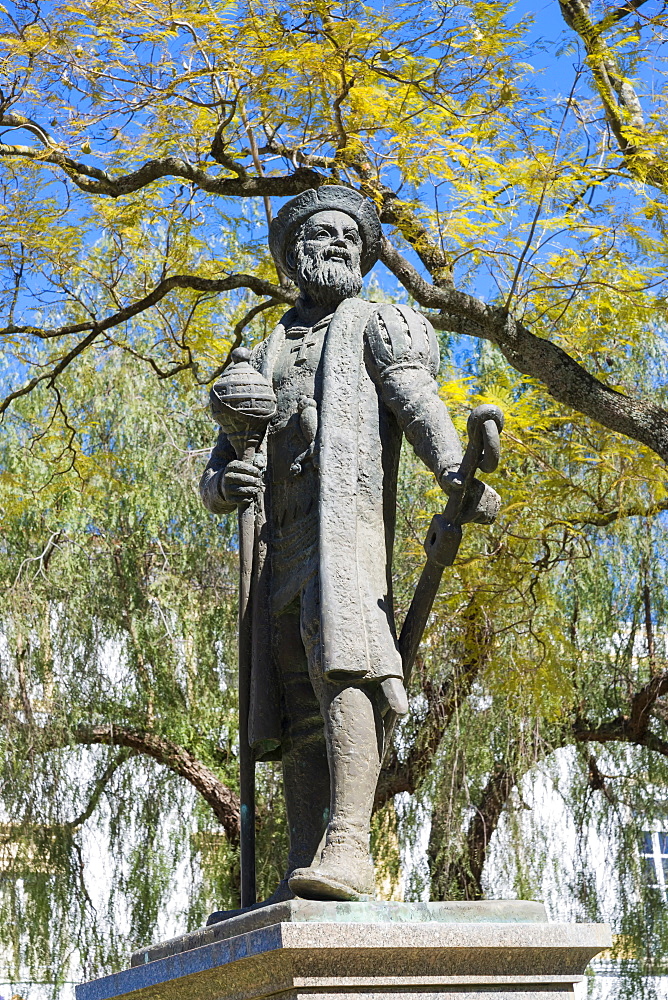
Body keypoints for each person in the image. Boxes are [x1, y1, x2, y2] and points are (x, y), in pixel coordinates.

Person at [200, 186, 499, 905]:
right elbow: (217, 469)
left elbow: (417, 402)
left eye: (348, 237)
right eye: (320, 234)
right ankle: (307, 857)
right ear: (292, 253)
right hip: (277, 546)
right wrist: (226, 482)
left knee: (346, 668)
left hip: (345, 534)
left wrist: (455, 470)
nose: (336, 244)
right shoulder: (264, 350)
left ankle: (351, 845)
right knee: (296, 695)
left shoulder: (377, 325)